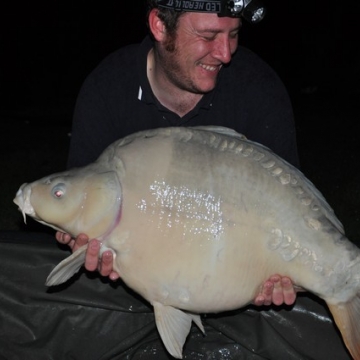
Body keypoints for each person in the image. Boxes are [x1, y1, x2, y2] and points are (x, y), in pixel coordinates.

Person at [56, 0, 299, 308]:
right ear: (159, 25)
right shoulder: (107, 90)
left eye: (234, 34)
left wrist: (276, 278)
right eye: (208, 37)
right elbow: (83, 202)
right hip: (131, 294)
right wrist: (80, 238)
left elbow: (289, 212)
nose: (225, 53)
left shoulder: (259, 90)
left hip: (231, 278)